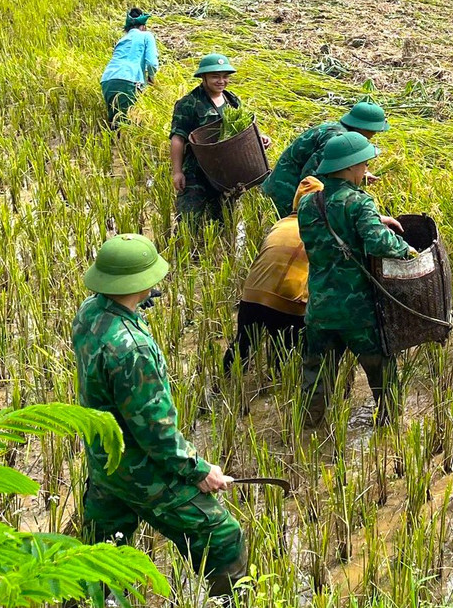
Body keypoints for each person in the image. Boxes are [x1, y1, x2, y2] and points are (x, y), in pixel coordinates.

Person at [73, 234, 245, 596]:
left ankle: (84, 602)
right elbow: (155, 431)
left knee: (100, 549)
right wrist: (198, 470)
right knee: (222, 535)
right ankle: (230, 601)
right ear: (141, 282)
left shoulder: (89, 314)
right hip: (140, 467)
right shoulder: (131, 350)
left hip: (105, 459)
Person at [298, 132, 415, 427]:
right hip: (357, 310)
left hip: (321, 308)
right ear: (350, 168)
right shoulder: (360, 203)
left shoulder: (308, 204)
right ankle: (389, 430)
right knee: (381, 374)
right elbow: (377, 243)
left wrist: (375, 218)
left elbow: (333, 230)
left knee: (316, 377)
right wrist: (406, 250)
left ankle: (308, 433)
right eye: (363, 165)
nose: (365, 170)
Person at [222, 176, 323, 377]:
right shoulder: (319, 228)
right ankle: (278, 382)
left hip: (252, 294)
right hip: (288, 301)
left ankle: (225, 383)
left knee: (243, 342)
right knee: (285, 354)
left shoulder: (280, 223)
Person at [170, 53, 269, 229]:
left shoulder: (232, 100)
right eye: (215, 76)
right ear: (203, 77)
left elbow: (244, 129)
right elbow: (178, 138)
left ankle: (218, 252)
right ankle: (184, 252)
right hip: (197, 172)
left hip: (227, 173)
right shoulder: (189, 103)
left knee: (223, 221)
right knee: (188, 221)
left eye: (225, 76)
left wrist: (259, 139)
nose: (221, 81)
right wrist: (177, 172)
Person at [261, 101, 390, 218]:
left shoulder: (339, 132)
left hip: (285, 187)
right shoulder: (336, 139)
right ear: (363, 127)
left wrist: (360, 174)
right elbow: (311, 177)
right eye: (373, 131)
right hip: (285, 191)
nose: (374, 134)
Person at [99, 7, 159, 129]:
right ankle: (122, 146)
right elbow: (152, 62)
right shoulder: (146, 36)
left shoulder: (122, 39)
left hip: (107, 80)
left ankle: (114, 145)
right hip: (128, 80)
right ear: (143, 26)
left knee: (115, 120)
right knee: (127, 124)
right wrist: (151, 78)